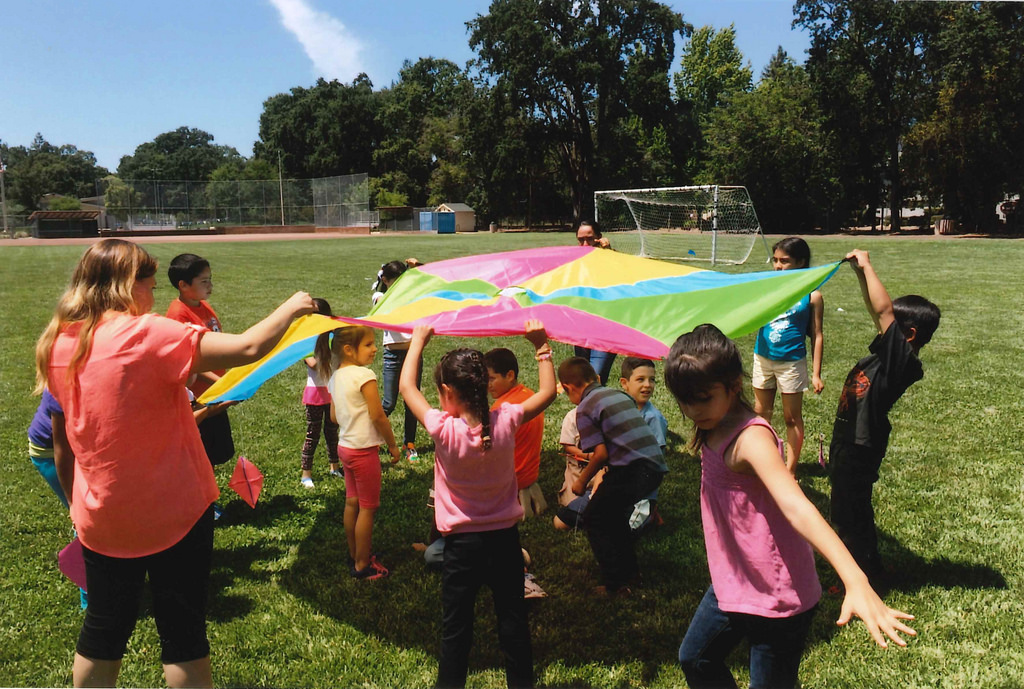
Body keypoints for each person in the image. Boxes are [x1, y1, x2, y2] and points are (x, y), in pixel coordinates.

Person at [36, 238, 313, 688]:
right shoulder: (147, 332)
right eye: (148, 282)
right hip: (177, 513)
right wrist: (294, 306)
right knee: (182, 634)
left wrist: (76, 505)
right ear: (132, 287)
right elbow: (247, 348)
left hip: (101, 518)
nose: (151, 294)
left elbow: (64, 439)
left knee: (103, 632)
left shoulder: (60, 342)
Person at [663, 323, 916, 689]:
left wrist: (854, 578)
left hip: (777, 595)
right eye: (683, 400)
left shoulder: (750, 439)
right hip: (733, 579)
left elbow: (797, 506)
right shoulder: (714, 421)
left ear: (734, 386)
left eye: (702, 398)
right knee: (696, 658)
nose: (691, 410)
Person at [399, 320, 556, 689]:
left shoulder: (442, 428)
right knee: (513, 625)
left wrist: (418, 341)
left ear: (446, 391)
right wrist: (541, 345)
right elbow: (548, 392)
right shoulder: (507, 419)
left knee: (456, 632)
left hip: (460, 548)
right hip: (504, 542)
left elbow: (406, 386)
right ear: (485, 387)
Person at [829, 250, 941, 584]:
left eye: (890, 324)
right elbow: (875, 308)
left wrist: (868, 264)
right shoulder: (889, 353)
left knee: (849, 512)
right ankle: (870, 565)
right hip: (850, 441)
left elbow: (881, 309)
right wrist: (859, 274)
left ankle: (857, 575)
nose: (882, 325)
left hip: (861, 445)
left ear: (907, 335)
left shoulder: (902, 362)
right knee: (852, 507)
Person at [558, 356, 668, 596]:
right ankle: (631, 574)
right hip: (653, 469)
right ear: (596, 379)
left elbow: (600, 453)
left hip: (632, 470)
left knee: (594, 518)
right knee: (615, 519)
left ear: (568, 388)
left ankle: (614, 583)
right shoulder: (618, 395)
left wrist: (580, 481)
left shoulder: (585, 407)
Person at [330, 325, 401, 580]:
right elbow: (378, 415)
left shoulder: (334, 376)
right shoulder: (364, 376)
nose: (374, 349)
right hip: (363, 452)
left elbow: (334, 416)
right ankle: (362, 564)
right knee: (368, 508)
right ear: (349, 350)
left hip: (345, 448)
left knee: (352, 502)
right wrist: (392, 444)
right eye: (369, 345)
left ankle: (354, 553)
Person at [752, 237, 825, 473]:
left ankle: (790, 471)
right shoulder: (767, 288)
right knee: (761, 415)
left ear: (801, 262)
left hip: (791, 363)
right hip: (763, 358)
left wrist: (816, 374)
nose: (778, 266)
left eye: (785, 261)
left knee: (791, 418)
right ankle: (761, 463)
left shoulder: (812, 296)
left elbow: (817, 335)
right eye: (775, 260)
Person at [166, 253, 235, 471]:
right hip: (199, 398)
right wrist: (223, 384)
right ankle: (205, 503)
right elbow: (189, 361)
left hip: (216, 391)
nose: (210, 285)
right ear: (183, 285)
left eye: (210, 279)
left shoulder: (203, 306)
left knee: (215, 452)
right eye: (204, 281)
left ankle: (210, 501)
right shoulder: (178, 316)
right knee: (201, 455)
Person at [484, 347, 547, 518]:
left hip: (510, 481)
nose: (487, 386)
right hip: (530, 475)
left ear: (510, 375)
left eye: (491, 379)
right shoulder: (530, 396)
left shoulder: (500, 409)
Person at [372, 259, 423, 461]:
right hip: (392, 354)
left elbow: (431, 280)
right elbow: (390, 301)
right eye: (397, 281)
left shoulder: (412, 294)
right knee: (389, 402)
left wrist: (418, 266)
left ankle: (409, 443)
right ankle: (371, 438)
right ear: (385, 280)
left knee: (412, 403)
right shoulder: (379, 297)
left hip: (413, 353)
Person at [618, 357, 668, 533]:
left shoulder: (653, 418)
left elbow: (656, 464)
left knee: (626, 531)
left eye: (652, 379)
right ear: (624, 383)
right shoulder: (622, 410)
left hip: (642, 487)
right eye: (641, 379)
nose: (648, 385)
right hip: (621, 480)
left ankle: (650, 512)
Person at [299, 297, 341, 488]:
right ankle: (306, 474)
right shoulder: (306, 341)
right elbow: (313, 364)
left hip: (332, 392)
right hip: (315, 393)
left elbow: (340, 361)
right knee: (312, 433)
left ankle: (335, 467)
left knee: (332, 433)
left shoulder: (334, 339)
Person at [573, 221, 616, 385]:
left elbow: (623, 276)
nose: (585, 244)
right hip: (581, 327)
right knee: (581, 379)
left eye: (589, 239)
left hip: (605, 329)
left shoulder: (609, 259)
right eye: (580, 240)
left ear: (599, 238)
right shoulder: (575, 263)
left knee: (595, 379)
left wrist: (609, 252)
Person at [552, 407, 603, 531]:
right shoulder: (572, 416)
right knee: (570, 504)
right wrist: (586, 456)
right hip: (578, 469)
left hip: (600, 469)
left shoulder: (604, 415)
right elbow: (567, 446)